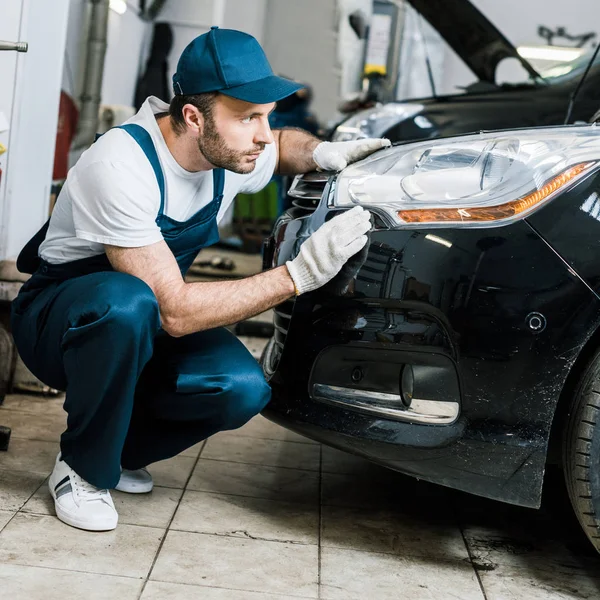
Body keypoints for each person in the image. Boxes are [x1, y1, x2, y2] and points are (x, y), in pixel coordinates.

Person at [11, 27, 390, 532]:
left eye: (266, 114)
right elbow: (175, 310)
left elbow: (282, 145)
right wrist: (298, 275)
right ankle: (80, 469)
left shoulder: (228, 153)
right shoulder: (121, 165)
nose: (262, 132)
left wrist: (323, 152)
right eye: (248, 116)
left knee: (242, 388)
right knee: (128, 302)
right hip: (62, 322)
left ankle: (115, 451)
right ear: (192, 117)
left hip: (148, 321)